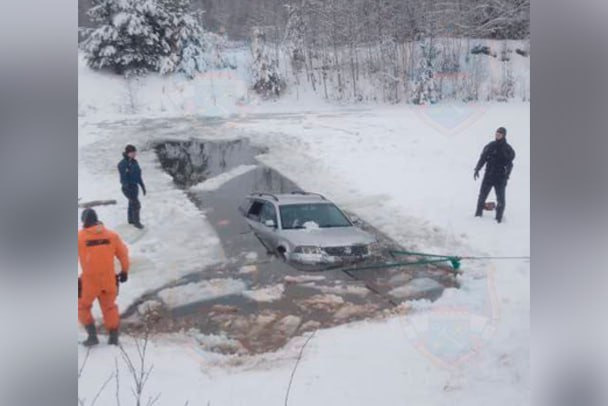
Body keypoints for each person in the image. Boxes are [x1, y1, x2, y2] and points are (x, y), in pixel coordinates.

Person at [78, 208, 129, 346]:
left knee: (82, 306)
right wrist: (124, 271)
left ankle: (92, 335)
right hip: (109, 280)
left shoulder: (80, 237)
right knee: (109, 307)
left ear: (84, 221)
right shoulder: (112, 236)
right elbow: (123, 254)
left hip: (89, 282)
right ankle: (113, 337)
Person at [474, 126, 516, 223]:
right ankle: (478, 215)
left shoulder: (508, 149)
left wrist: (507, 176)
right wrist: (477, 168)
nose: (497, 136)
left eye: (499, 134)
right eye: (496, 134)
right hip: (488, 175)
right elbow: (483, 158)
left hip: (500, 178)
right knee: (482, 196)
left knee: (501, 199)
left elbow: (510, 164)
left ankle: (498, 219)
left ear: (504, 135)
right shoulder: (490, 146)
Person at [118, 144, 146, 229]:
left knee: (131, 203)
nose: (134, 154)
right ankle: (136, 223)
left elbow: (138, 175)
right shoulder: (123, 164)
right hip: (128, 188)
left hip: (135, 186)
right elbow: (123, 178)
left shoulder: (134, 162)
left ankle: (131, 220)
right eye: (132, 152)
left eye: (135, 152)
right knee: (136, 204)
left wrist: (142, 186)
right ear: (127, 153)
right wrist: (126, 187)